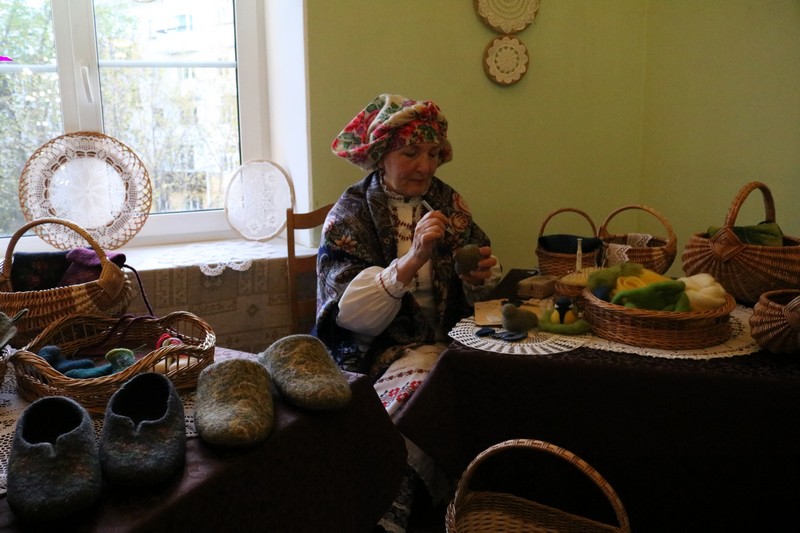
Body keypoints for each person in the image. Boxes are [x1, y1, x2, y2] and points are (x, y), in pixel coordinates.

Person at [316, 93, 502, 533]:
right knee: (424, 391)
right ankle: (388, 515)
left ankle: (475, 508)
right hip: (376, 354)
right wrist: (412, 259)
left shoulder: (448, 203)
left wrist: (477, 278)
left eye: (433, 153)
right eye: (411, 152)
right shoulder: (349, 215)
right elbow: (350, 317)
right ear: (381, 155)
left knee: (498, 384)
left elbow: (478, 283)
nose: (425, 166)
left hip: (451, 345)